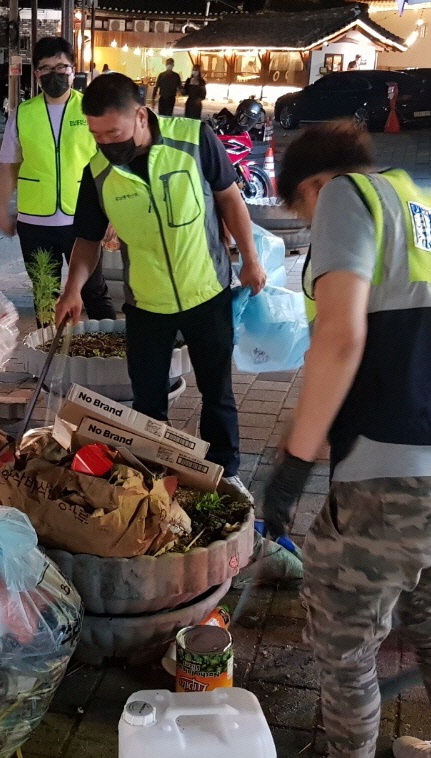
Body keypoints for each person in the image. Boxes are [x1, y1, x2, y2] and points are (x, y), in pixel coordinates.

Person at [260, 121, 431, 758]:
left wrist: (293, 466)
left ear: (313, 187)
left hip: (393, 472)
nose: (314, 228)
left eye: (303, 216)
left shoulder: (348, 196)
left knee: (343, 633)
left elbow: (339, 337)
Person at [54, 72, 266, 484]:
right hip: (146, 305)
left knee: (217, 392)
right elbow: (87, 239)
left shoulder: (193, 138)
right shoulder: (97, 170)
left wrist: (251, 259)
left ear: (140, 115)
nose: (105, 143)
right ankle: (155, 475)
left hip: (207, 292)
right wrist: (72, 289)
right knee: (148, 400)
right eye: (96, 135)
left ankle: (227, 472)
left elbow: (229, 198)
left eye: (112, 132)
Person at [0, 37, 113, 321]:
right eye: (46, 68)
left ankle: (110, 356)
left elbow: (110, 165)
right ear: (36, 74)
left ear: (74, 70)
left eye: (61, 67)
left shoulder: (91, 109)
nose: (54, 74)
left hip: (83, 220)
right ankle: (49, 356)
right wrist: (2, 210)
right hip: (35, 223)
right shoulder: (23, 113)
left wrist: (112, 214)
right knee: (44, 294)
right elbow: (9, 166)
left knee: (93, 292)